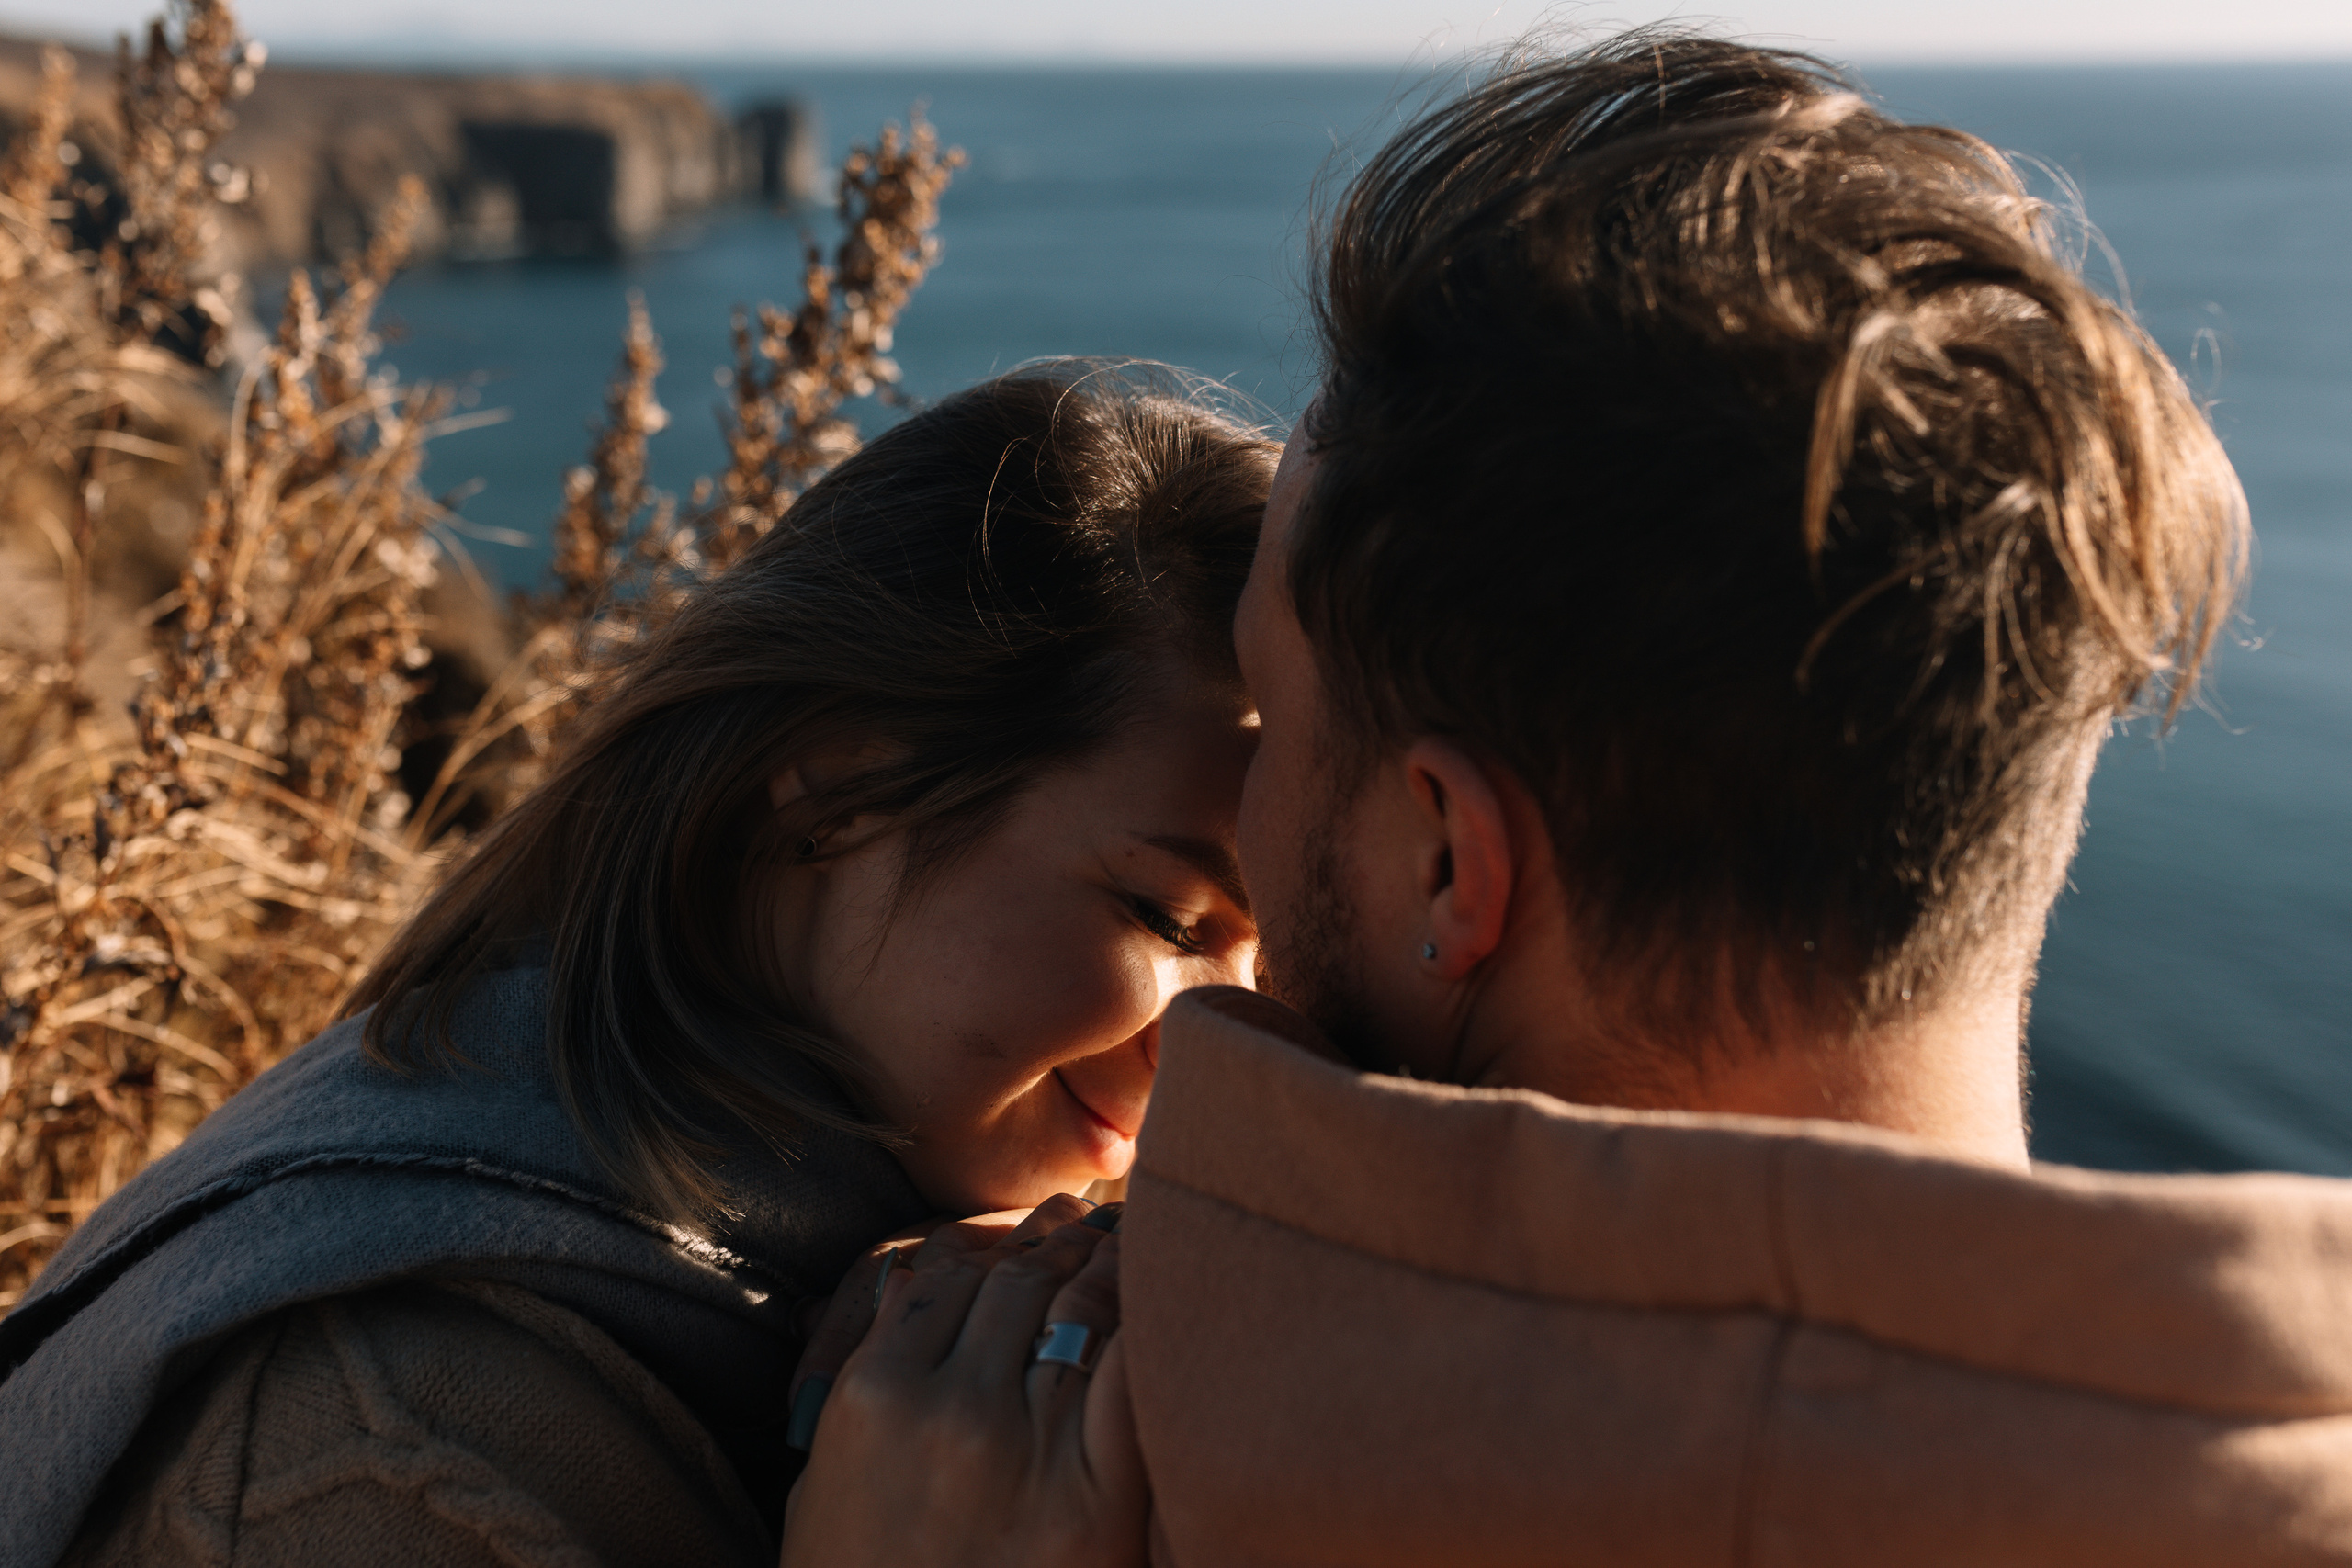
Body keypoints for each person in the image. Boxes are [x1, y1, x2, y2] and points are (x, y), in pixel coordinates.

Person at [783, 33, 2352, 1568]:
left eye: (1275, 725)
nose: (1243, 828)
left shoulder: (1100, 1456)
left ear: (1453, 861)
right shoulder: (2268, 1453)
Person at [0, 361, 1272, 1567]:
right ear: (842, 787)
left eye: (1287, 960)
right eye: (1166, 918)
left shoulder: (823, 1243)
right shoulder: (405, 1448)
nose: (1229, 1042)